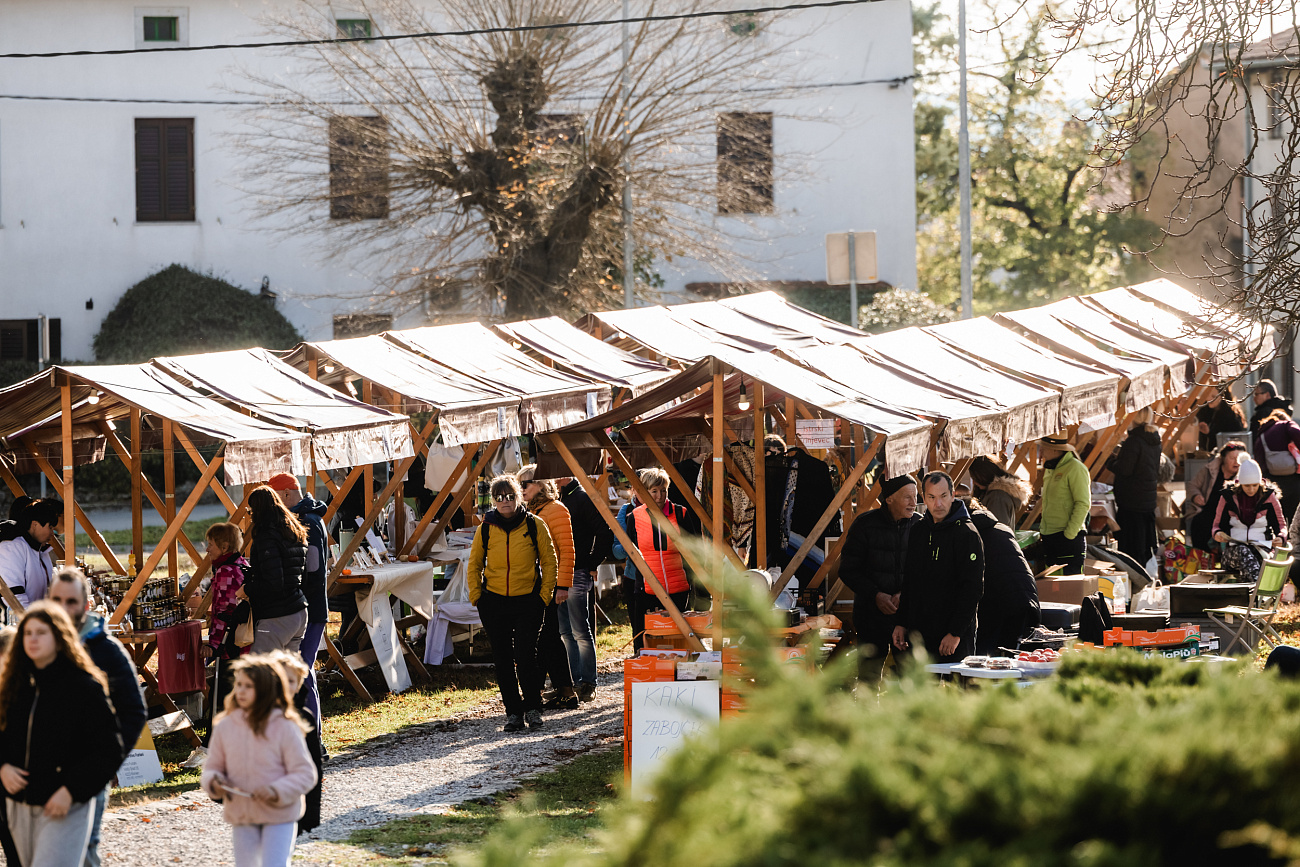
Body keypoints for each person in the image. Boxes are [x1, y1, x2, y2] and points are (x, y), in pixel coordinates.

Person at [0, 602, 123, 867]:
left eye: (41, 632)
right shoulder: (15, 686)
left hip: (65, 805)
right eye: (28, 633)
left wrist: (71, 791)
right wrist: (3, 767)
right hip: (19, 805)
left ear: (58, 636)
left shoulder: (84, 687)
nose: (33, 639)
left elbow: (108, 750)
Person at [47, 568, 148, 867]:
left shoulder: (106, 651)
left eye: (71, 601)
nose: (64, 608)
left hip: (88, 770)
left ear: (87, 605)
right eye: (57, 600)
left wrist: (107, 761)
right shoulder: (37, 643)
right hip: (42, 772)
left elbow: (133, 712)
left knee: (83, 851)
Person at [201, 655, 318, 867]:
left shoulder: (285, 727)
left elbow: (305, 774)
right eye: (239, 685)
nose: (241, 691)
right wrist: (214, 782)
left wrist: (276, 790)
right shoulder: (225, 726)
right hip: (243, 814)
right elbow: (211, 768)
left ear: (265, 690)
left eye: (249, 686)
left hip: (279, 814)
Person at [466, 474, 558, 733]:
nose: (505, 501)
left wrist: (544, 596)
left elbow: (549, 561)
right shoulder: (486, 527)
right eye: (499, 497)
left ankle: (533, 709)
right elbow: (474, 564)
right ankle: (513, 713)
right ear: (493, 501)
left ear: (519, 497)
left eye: (510, 496)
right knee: (503, 659)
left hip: (528, 600)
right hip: (494, 602)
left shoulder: (535, 524)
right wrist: (477, 596)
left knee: (526, 656)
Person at [892, 472, 984, 663]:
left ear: (952, 495)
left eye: (943, 496)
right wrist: (901, 622)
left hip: (953, 638)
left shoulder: (967, 534)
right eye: (932, 497)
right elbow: (909, 581)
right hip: (919, 636)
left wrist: (955, 632)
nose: (938, 504)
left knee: (956, 683)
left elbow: (972, 588)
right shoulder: (918, 530)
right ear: (924, 498)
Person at [839, 474, 920, 685]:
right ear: (889, 499)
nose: (914, 503)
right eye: (907, 497)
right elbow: (848, 570)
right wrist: (876, 595)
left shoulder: (921, 525)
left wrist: (905, 594)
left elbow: (928, 572)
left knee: (910, 679)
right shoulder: (865, 525)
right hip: (870, 616)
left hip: (907, 616)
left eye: (915, 496)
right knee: (869, 678)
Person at [265, 474, 328, 738]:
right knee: (300, 670)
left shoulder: (308, 521)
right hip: (308, 607)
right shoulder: (307, 517)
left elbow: (312, 569)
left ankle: (312, 737)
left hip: (309, 608)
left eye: (275, 499)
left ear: (287, 494)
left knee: (302, 671)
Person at [517, 466, 578, 711]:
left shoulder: (556, 509)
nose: (521, 489)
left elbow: (567, 551)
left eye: (525, 484)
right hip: (535, 585)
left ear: (541, 484)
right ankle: (556, 691)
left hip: (551, 584)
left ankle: (559, 690)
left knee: (548, 638)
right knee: (545, 638)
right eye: (519, 485)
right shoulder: (531, 511)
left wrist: (563, 585)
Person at [626, 468, 702, 653]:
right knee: (645, 638)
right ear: (645, 491)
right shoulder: (634, 517)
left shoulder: (680, 513)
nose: (659, 496)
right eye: (654, 491)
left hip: (679, 587)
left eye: (663, 490)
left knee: (678, 639)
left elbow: (694, 547)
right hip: (647, 589)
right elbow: (631, 551)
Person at [559, 477, 613, 703]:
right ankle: (575, 681)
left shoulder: (581, 497)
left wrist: (591, 563)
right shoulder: (559, 498)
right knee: (565, 633)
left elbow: (605, 532)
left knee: (580, 630)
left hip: (578, 571)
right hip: (559, 574)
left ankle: (589, 682)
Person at [965, 501, 1040, 656]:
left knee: (990, 659)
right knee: (1014, 656)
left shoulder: (970, 533)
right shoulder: (1002, 528)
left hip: (1000, 603)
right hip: (1027, 598)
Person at [243, 486, 309, 655]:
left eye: (251, 511)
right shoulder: (292, 531)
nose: (250, 515)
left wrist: (246, 589)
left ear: (258, 511)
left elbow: (273, 582)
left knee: (262, 669)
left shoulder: (266, 536)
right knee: (288, 669)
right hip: (298, 610)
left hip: (276, 616)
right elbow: (302, 575)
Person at [263, 651, 323, 838]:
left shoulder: (304, 720)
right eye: (279, 679)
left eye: (290, 681)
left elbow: (314, 768)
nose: (284, 685)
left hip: (293, 805)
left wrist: (312, 814)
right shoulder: (257, 719)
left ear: (298, 685)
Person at [1212, 457, 1287, 583]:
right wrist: (1217, 534)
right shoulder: (1227, 497)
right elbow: (1216, 525)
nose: (1251, 489)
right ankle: (1258, 587)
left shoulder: (1269, 497)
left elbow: (1281, 525)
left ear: (1261, 483)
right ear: (1239, 483)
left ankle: (1252, 589)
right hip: (1233, 553)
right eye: (1247, 485)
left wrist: (1281, 537)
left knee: (1256, 559)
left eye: (1255, 485)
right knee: (1243, 551)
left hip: (1261, 550)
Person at [1106, 407, 1164, 567]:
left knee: (1130, 547)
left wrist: (1109, 462)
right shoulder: (1154, 439)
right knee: (1142, 546)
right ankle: (1142, 574)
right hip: (1146, 500)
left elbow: (1125, 469)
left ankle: (1133, 575)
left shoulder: (1134, 441)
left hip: (1131, 500)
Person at [1038, 433, 1091, 573]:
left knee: (1069, 585)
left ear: (1055, 449)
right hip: (1050, 536)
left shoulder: (1075, 468)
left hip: (1067, 537)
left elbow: (1083, 503)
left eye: (1044, 447)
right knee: (1053, 584)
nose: (1041, 450)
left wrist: (1069, 534)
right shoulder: (1051, 467)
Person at [0, 498, 63, 610]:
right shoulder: (12, 547)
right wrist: (35, 618)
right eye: (50, 527)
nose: (52, 533)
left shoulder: (41, 550)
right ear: (35, 524)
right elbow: (14, 598)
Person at [1186, 441, 1247, 550]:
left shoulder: (1245, 474)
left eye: (1239, 459)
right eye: (1232, 458)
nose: (1236, 462)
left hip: (1231, 515)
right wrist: (1196, 495)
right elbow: (1192, 485)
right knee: (1199, 523)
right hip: (1208, 510)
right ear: (1223, 458)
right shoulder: (1209, 470)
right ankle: (1202, 556)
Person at [1252, 408, 1300, 524]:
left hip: (1274, 482)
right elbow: (1296, 432)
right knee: (1294, 516)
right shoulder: (1286, 424)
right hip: (1294, 480)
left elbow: (1259, 462)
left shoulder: (1262, 435)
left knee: (1278, 517)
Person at [968, 456, 1030, 530]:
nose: (974, 482)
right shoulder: (994, 494)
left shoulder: (997, 497)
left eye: (974, 478)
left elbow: (998, 529)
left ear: (984, 475)